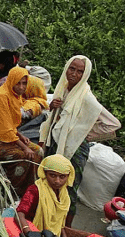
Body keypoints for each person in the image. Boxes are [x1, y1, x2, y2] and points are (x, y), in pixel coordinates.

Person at [38, 55, 119, 188]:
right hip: (57, 142)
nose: (74, 74)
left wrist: (86, 133)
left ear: (85, 74)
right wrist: (53, 106)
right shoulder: (64, 88)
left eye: (80, 71)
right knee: (50, 183)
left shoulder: (86, 96)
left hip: (75, 148)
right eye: (72, 69)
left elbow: (113, 124)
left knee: (68, 187)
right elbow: (57, 116)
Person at [0, 66, 42, 197]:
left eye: (24, 83)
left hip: (2, 135)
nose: (21, 87)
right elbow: (4, 129)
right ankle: (12, 190)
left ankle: (29, 188)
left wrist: (20, 135)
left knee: (38, 151)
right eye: (18, 83)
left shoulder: (15, 96)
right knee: (22, 155)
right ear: (11, 82)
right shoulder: (2, 96)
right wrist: (23, 146)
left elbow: (9, 124)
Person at [14, 154, 75, 237]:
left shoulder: (63, 194)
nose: (57, 181)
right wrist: (29, 233)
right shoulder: (35, 190)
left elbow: (59, 221)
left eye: (62, 177)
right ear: (45, 173)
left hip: (54, 236)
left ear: (68, 176)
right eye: (52, 175)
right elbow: (19, 214)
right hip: (35, 232)